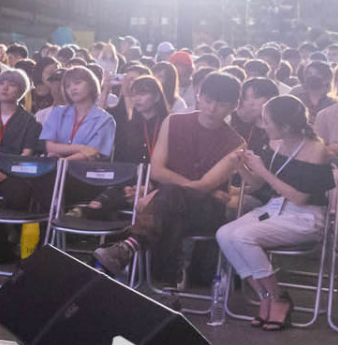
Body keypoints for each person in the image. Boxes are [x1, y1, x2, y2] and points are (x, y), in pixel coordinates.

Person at [94, 72, 244, 287]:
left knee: (169, 197)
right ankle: (169, 276)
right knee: (171, 203)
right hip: (170, 202)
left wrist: (158, 194)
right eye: (208, 101)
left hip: (205, 210)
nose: (212, 109)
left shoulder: (236, 143)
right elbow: (157, 171)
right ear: (198, 96)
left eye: (221, 105)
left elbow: (203, 186)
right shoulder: (174, 121)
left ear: (234, 106)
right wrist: (167, 192)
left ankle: (130, 248)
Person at [216, 95, 336, 330]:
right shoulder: (274, 144)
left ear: (286, 126)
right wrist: (241, 166)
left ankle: (278, 297)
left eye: (267, 121)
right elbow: (258, 185)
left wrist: (262, 170)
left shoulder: (316, 150)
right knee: (224, 234)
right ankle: (264, 296)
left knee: (243, 236)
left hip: (305, 216)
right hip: (274, 209)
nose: (264, 126)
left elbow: (300, 198)